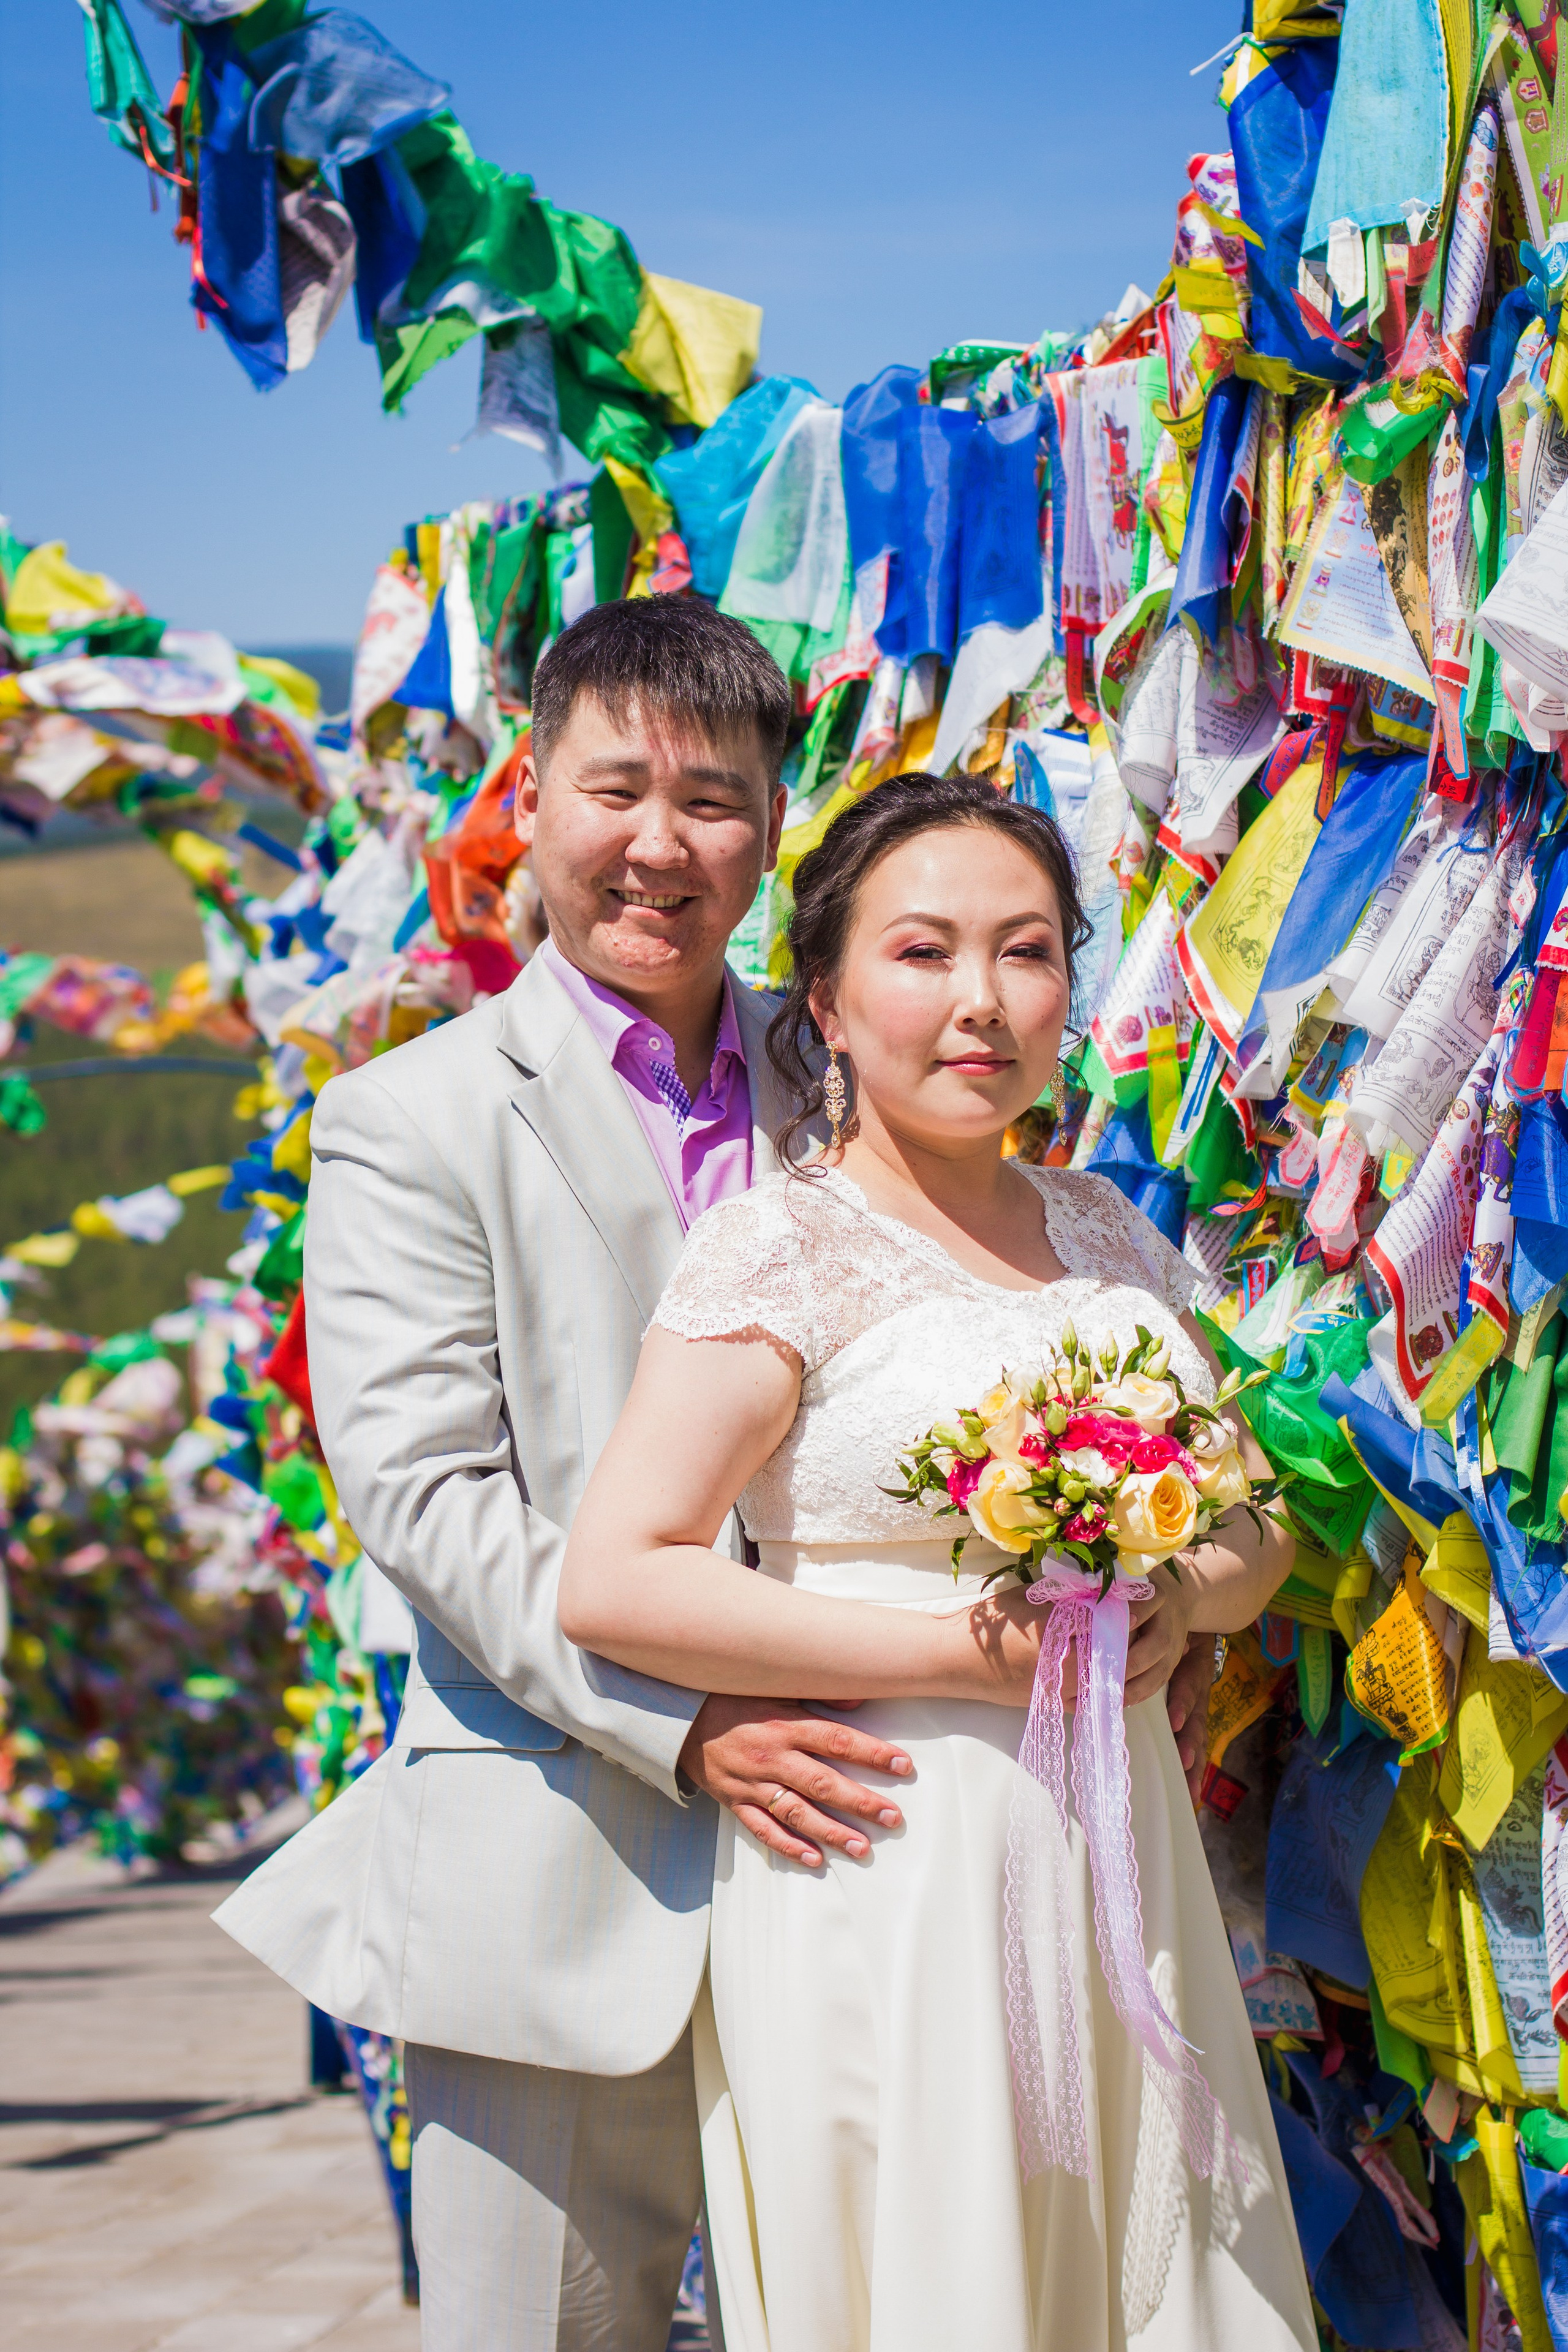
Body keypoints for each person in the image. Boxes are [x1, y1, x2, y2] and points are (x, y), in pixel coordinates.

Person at [211, 597, 1213, 2350]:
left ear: (774, 824)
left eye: (718, 800)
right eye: (618, 791)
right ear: (531, 796)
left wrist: (1140, 1589)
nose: (661, 847)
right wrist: (692, 1717)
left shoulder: (864, 1054)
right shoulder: (416, 1118)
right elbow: (429, 1496)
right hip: (569, 1851)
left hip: (887, 1885)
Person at [559, 771, 1317, 2351]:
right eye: (925, 954)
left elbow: (1259, 1521)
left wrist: (1176, 1596)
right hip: (887, 1846)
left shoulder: (1105, 1225)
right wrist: (965, 1657)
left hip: (1118, 1848)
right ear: (825, 999)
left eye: (1027, 953)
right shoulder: (784, 1244)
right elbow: (619, 1576)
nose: (982, 1002)